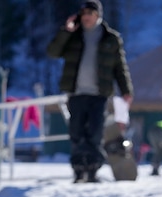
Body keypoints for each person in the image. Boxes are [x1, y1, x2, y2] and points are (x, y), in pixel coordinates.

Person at [46, 0, 134, 184]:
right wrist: (66, 31)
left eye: (90, 13)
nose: (86, 17)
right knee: (76, 132)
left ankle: (93, 170)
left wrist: (126, 90)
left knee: (95, 132)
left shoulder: (111, 38)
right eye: (84, 13)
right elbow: (53, 52)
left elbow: (120, 67)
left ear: (98, 15)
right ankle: (79, 170)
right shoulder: (73, 35)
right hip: (76, 92)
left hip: (99, 93)